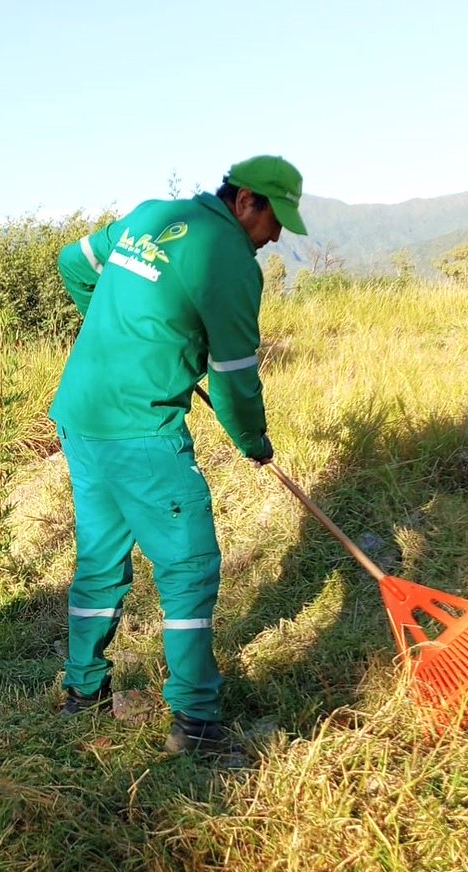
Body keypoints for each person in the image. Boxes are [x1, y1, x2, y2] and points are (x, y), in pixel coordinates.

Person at [49, 155, 307, 754]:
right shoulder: (231, 262)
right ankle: (195, 723)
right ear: (245, 202)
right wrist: (253, 443)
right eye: (273, 222)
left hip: (81, 416)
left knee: (99, 560)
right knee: (188, 567)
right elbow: (236, 378)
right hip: (141, 432)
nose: (274, 239)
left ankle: (82, 695)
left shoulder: (149, 215)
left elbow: (72, 264)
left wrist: (124, 329)